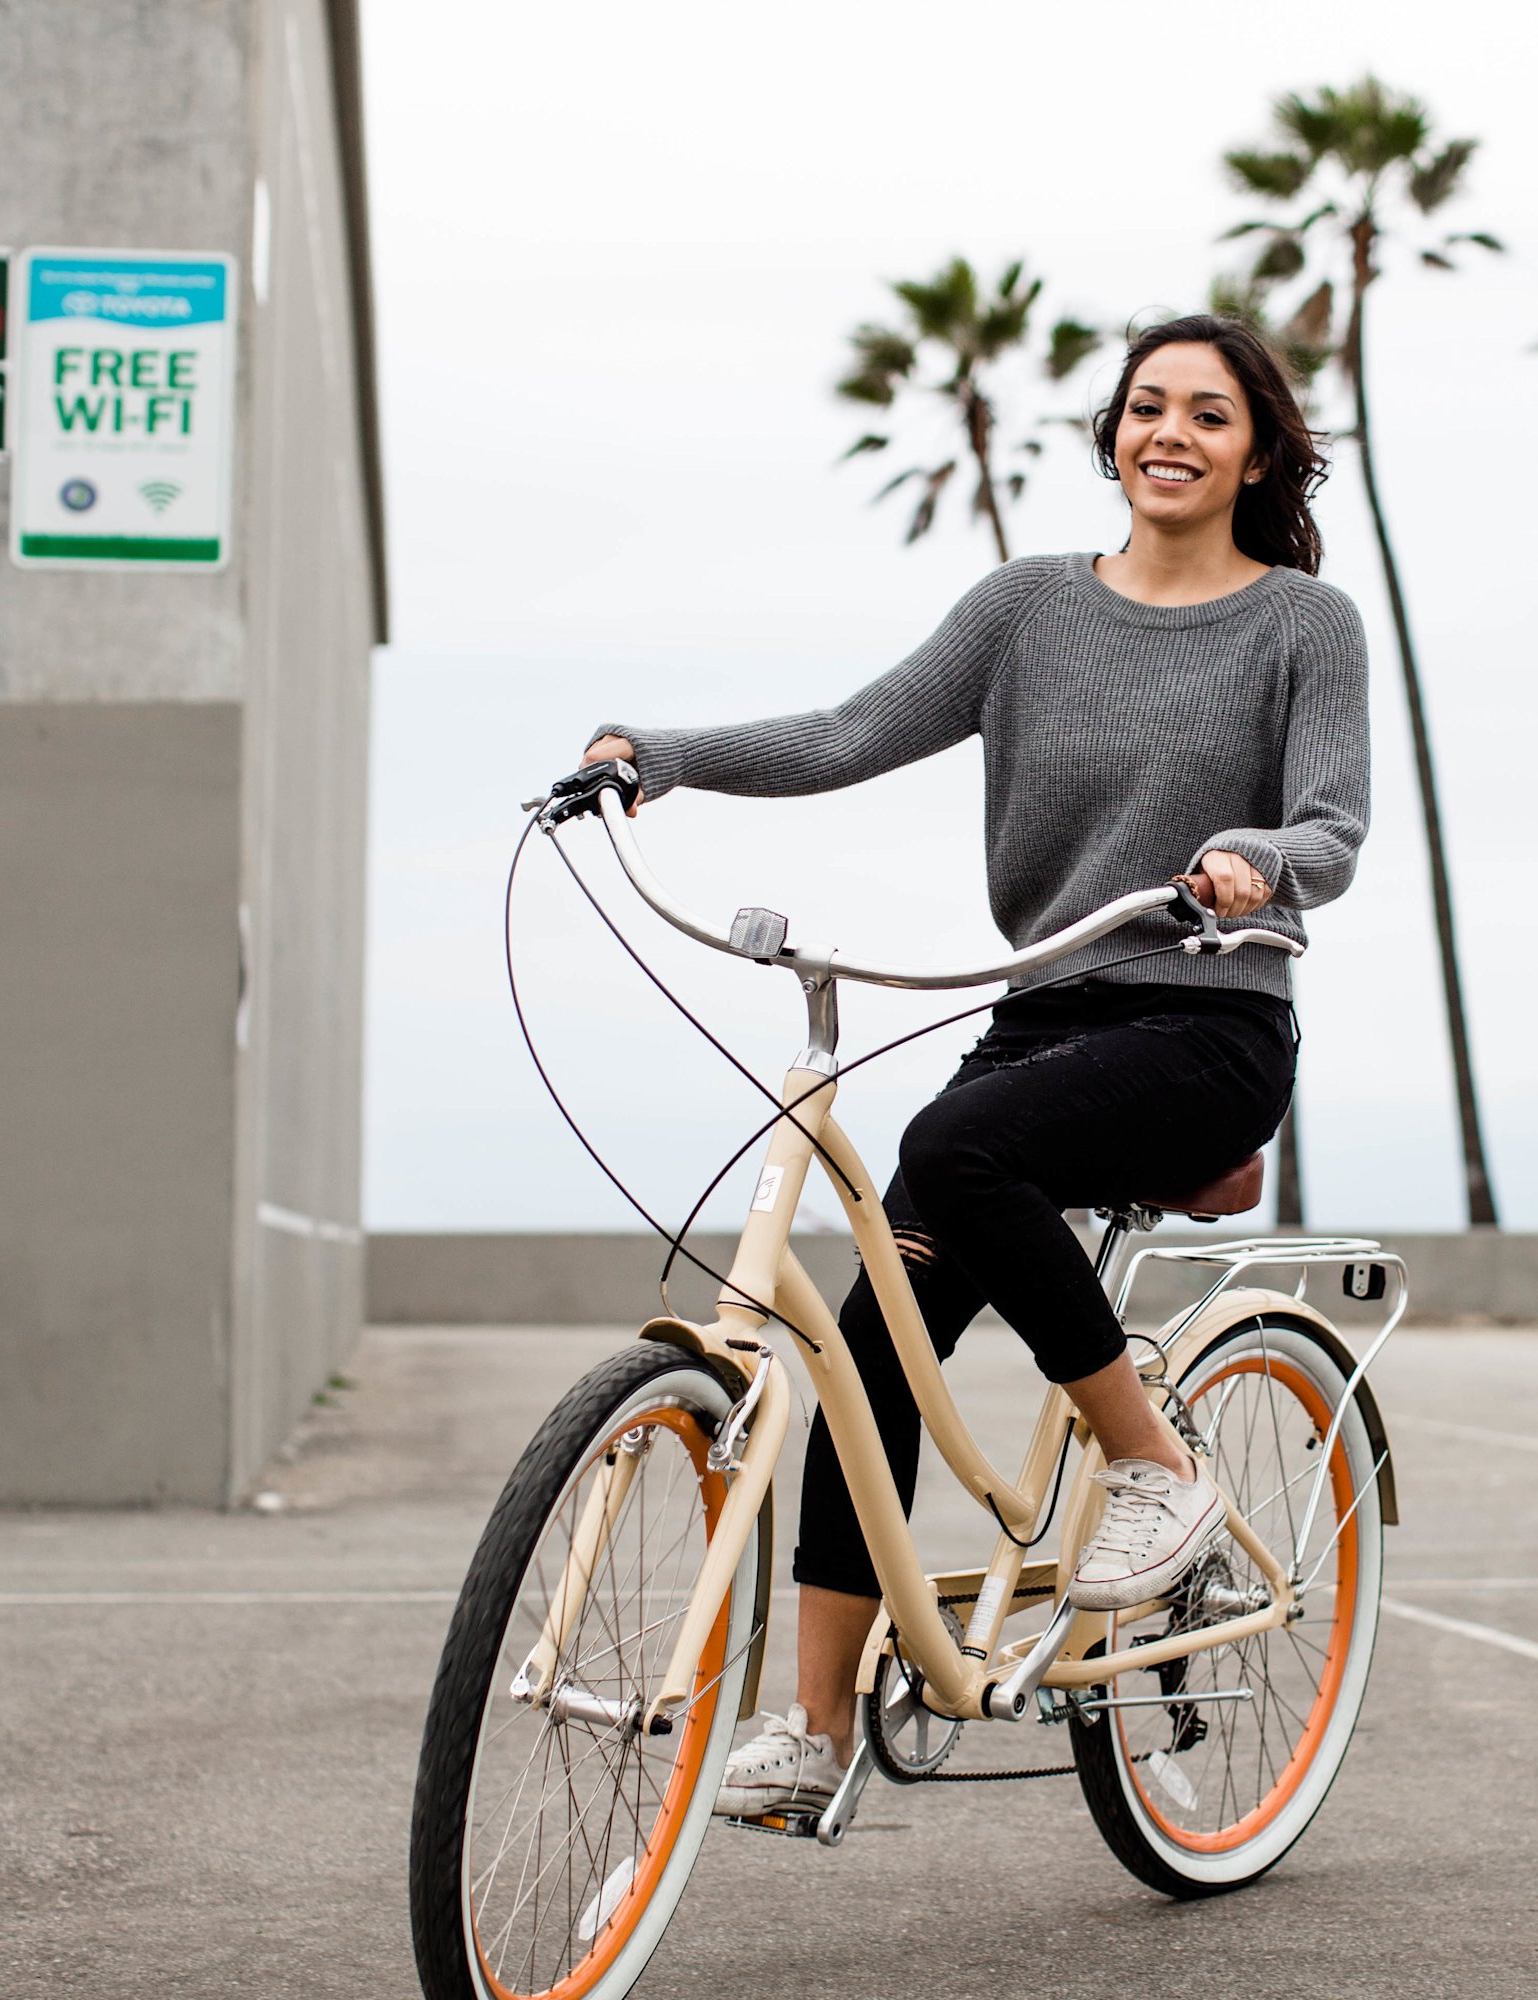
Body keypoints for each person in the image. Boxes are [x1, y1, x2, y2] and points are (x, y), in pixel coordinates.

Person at [576, 314, 1370, 1818]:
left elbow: (1332, 829)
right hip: (1048, 1021)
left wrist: (1254, 863)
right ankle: (812, 1733)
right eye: (1147, 408)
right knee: (875, 1332)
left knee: (952, 1156)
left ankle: (1156, 1470)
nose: (1171, 434)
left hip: (1206, 1022)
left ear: (1257, 449)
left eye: (1210, 414)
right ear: (1113, 436)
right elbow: (853, 729)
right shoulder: (1024, 611)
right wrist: (658, 754)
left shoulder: (1301, 625)